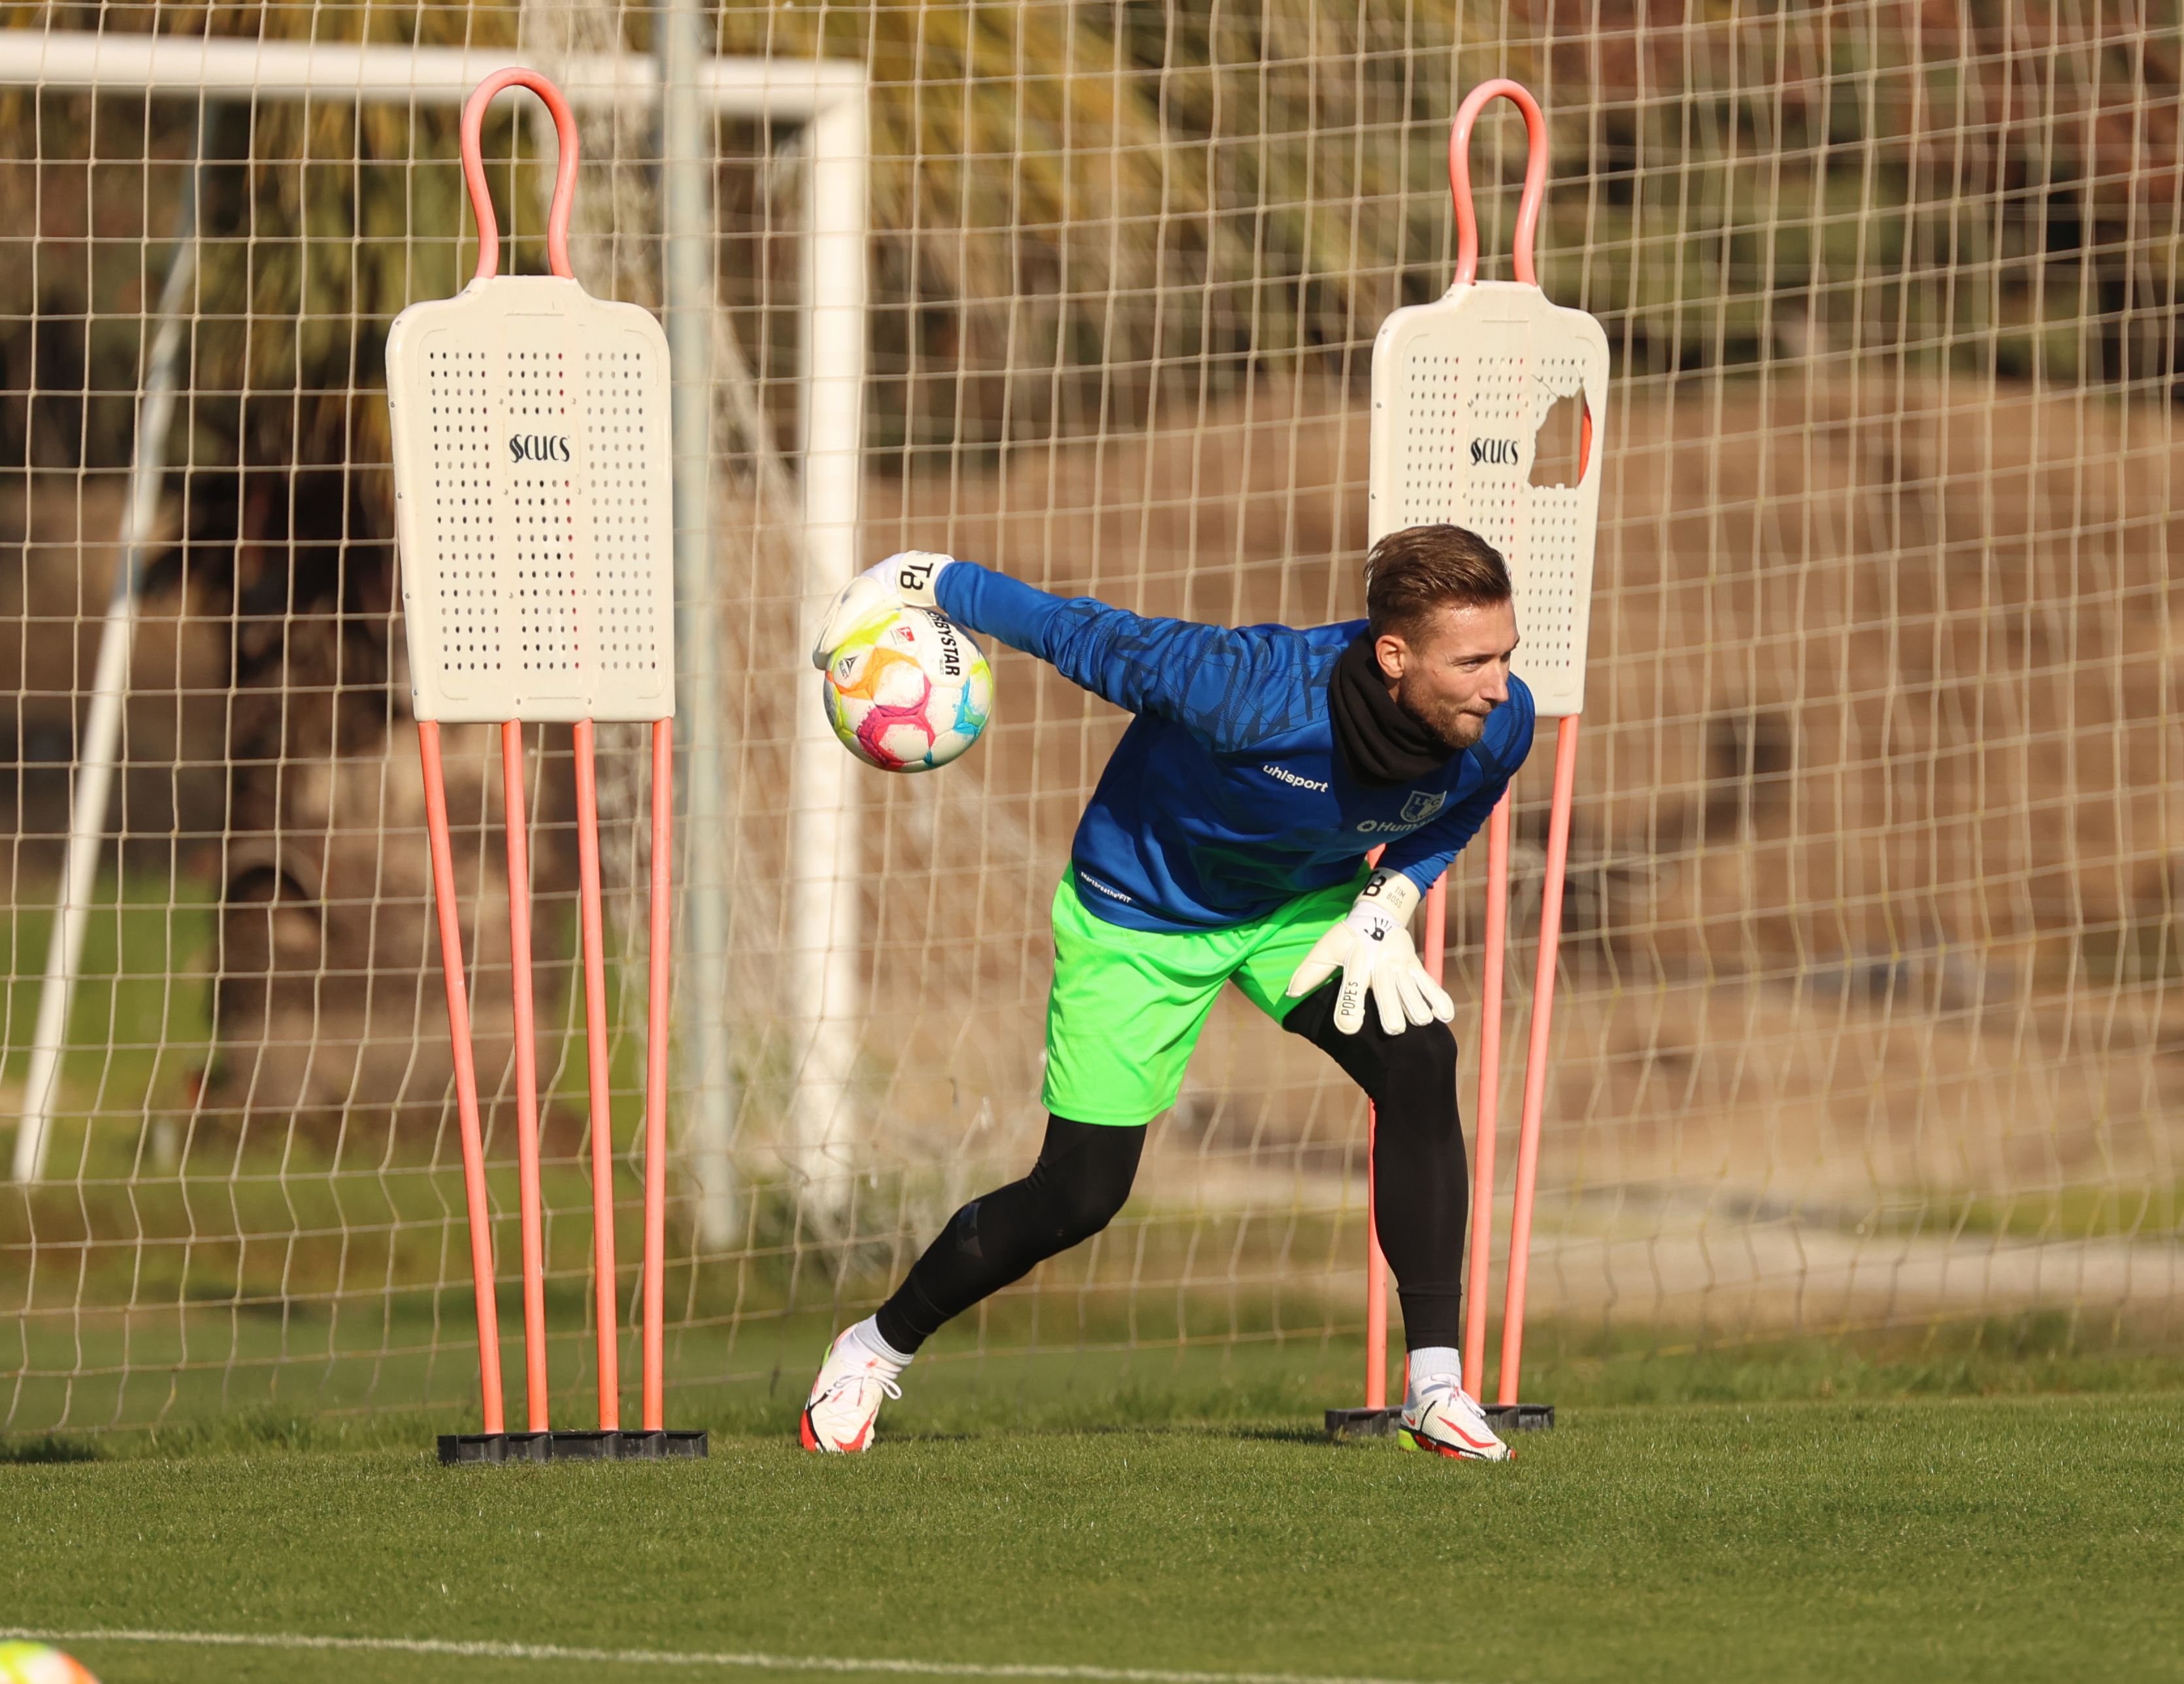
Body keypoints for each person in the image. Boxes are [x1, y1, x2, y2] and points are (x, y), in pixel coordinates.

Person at [801, 523, 1533, 1459]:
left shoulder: (1494, 721)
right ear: (1393, 654)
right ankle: (870, 1348)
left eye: (1504, 654)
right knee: (1081, 1194)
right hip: (1139, 915)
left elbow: (1468, 797)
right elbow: (1080, 632)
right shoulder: (1242, 686)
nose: (1499, 683)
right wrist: (929, 579)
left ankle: (1434, 1386)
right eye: (1473, 660)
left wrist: (1390, 898)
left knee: (1420, 1057)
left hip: (1298, 907)